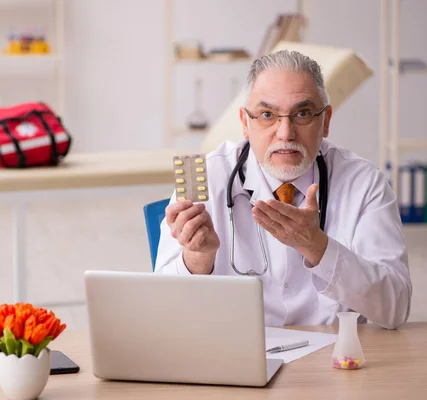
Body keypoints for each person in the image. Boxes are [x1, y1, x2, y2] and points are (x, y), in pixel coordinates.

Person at [154, 49, 412, 330]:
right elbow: (162, 310)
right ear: (244, 123)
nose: (286, 133)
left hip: (334, 360)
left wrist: (318, 247)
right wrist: (198, 258)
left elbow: (395, 307)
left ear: (325, 121)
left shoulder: (364, 183)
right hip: (234, 358)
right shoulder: (205, 179)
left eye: (302, 114)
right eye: (267, 114)